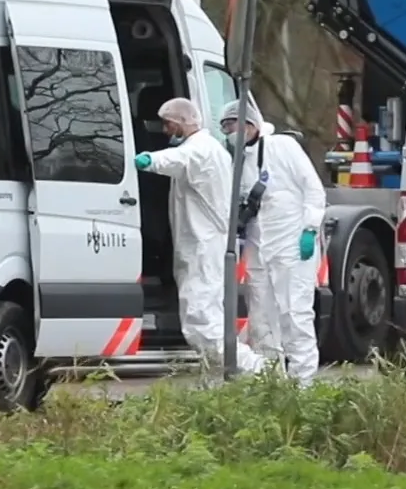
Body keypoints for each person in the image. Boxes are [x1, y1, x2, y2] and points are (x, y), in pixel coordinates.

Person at [134, 97, 263, 374]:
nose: (166, 131)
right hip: (203, 246)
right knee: (208, 321)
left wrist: (149, 160)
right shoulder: (208, 148)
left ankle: (260, 372)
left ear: (181, 122)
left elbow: (176, 160)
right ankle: (220, 386)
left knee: (202, 325)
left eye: (169, 125)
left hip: (202, 248)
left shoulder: (199, 150)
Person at [221, 99, 328, 386]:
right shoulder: (238, 160)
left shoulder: (283, 147)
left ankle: (303, 384)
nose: (228, 132)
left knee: (295, 315)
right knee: (262, 317)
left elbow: (313, 189)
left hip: (292, 243)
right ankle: (272, 382)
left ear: (250, 124)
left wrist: (309, 228)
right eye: (225, 127)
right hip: (260, 245)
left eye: (232, 125)